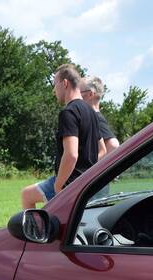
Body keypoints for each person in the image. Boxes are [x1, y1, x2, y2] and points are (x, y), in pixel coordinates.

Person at [21, 64, 103, 208]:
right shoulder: (92, 113)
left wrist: (59, 185)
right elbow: (102, 150)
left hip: (70, 183)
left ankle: (35, 231)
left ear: (65, 83)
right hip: (89, 182)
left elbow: (71, 154)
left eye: (55, 85)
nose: (54, 90)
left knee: (26, 195)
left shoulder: (69, 112)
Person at [81, 76, 120, 158]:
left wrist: (91, 169)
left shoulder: (95, 118)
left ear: (90, 94)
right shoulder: (95, 117)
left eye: (79, 92)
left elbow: (113, 145)